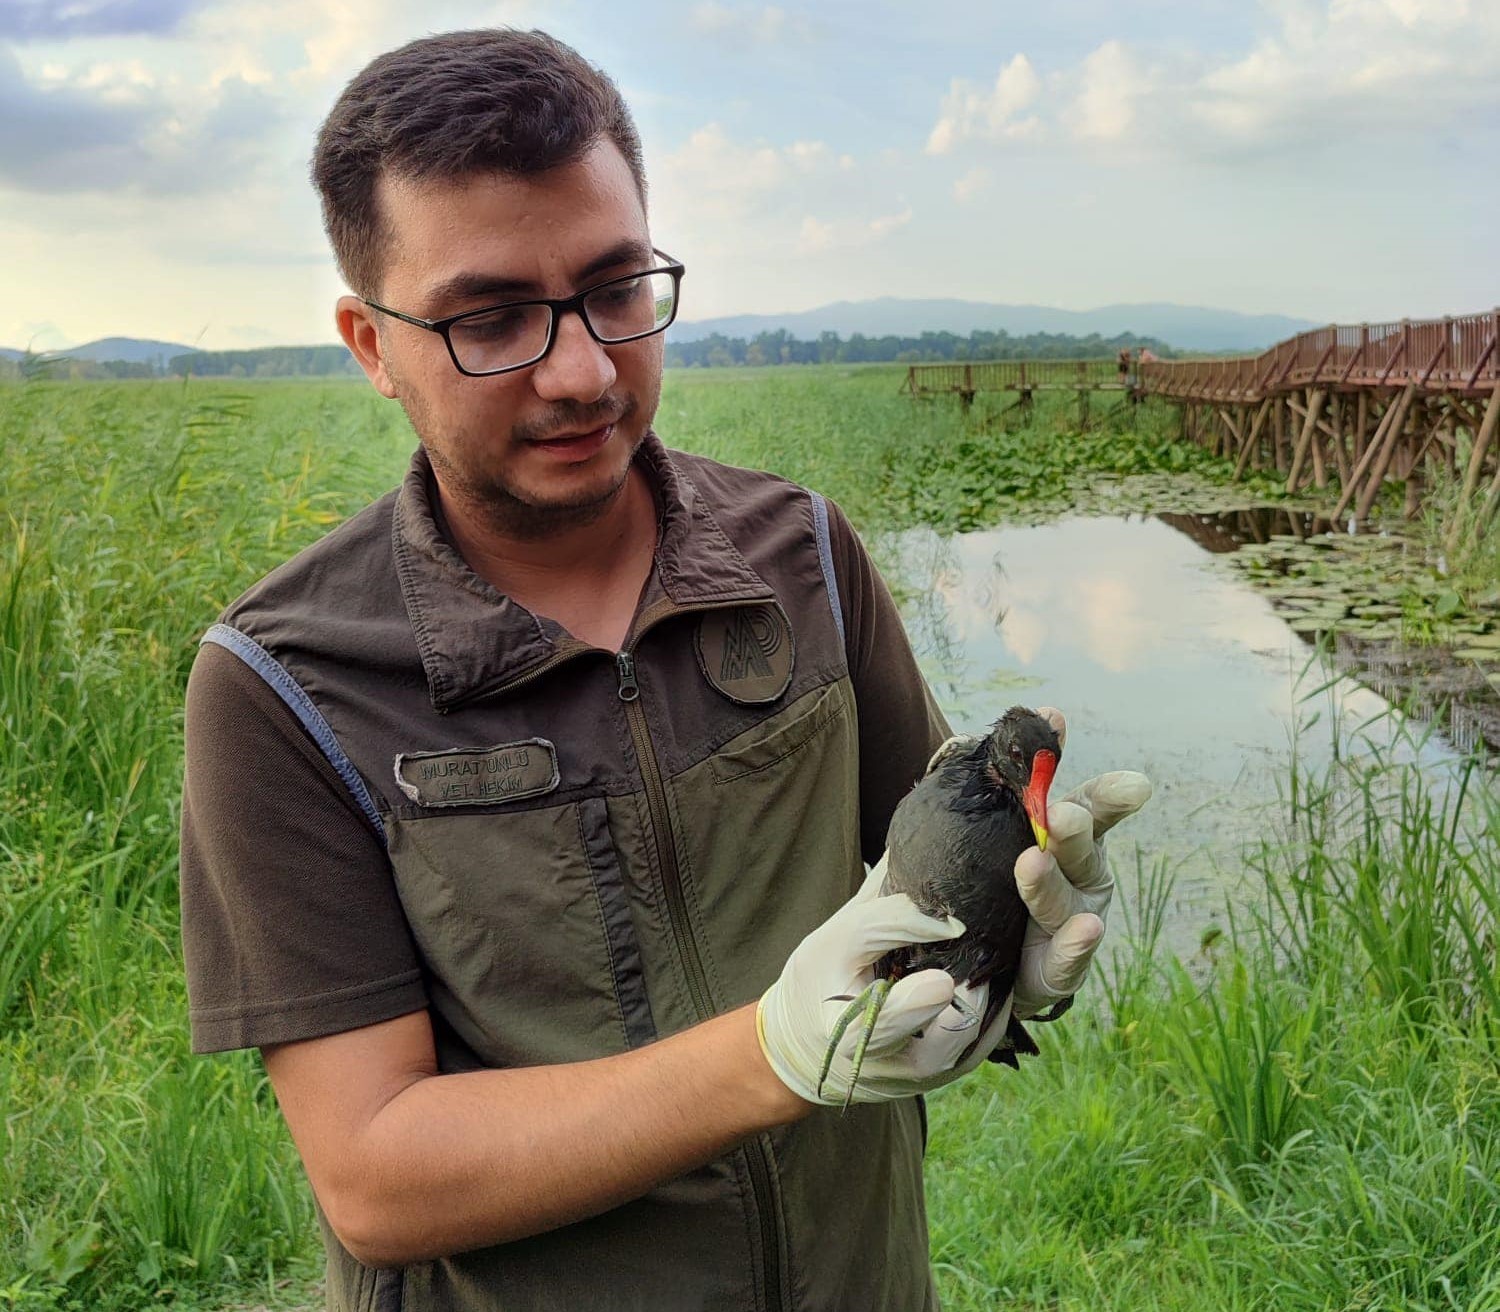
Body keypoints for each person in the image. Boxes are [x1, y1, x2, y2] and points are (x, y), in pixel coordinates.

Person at [179, 28, 1151, 1312]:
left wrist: (1006, 953)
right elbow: (377, 1175)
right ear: (372, 344)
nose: (582, 369)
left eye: (617, 288)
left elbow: (913, 895)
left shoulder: (804, 558)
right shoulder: (286, 685)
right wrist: (771, 1055)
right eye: (490, 319)